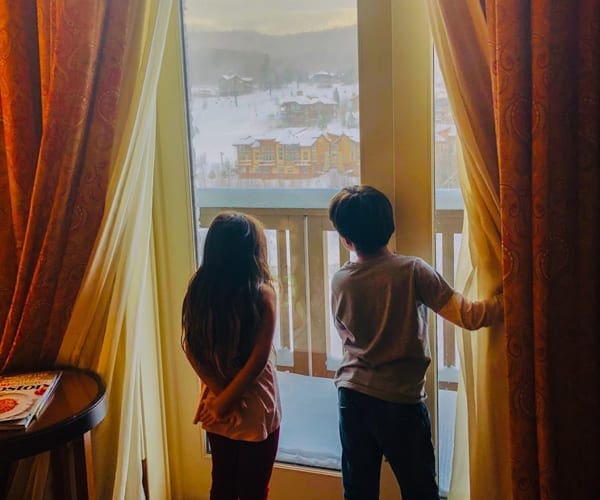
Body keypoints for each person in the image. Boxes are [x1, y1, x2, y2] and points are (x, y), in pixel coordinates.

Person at [328, 185, 503, 500]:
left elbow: (345, 333)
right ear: (390, 227)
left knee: (358, 490)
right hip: (400, 402)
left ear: (346, 239)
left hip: (352, 396)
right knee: (419, 488)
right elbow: (469, 316)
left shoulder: (341, 280)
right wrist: (508, 301)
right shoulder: (412, 271)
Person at [182, 212, 281, 500]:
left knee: (223, 483)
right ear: (253, 253)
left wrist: (220, 394)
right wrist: (229, 397)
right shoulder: (262, 293)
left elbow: (191, 348)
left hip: (216, 405)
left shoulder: (200, 289)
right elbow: (259, 359)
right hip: (253, 406)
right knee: (253, 488)